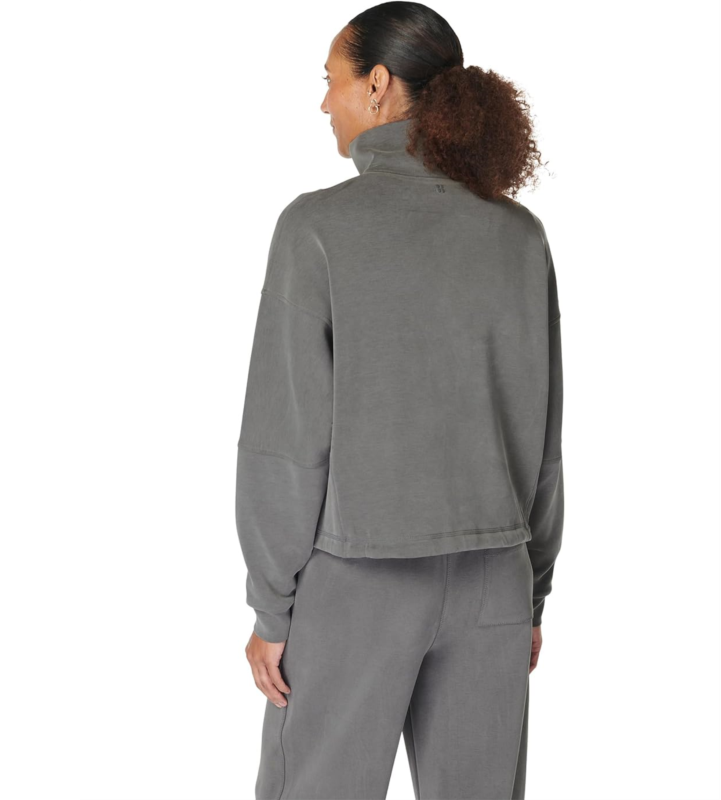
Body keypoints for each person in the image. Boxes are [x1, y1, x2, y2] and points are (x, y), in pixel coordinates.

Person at [234, 3, 565, 798]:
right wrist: (530, 592)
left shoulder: (316, 229)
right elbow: (542, 439)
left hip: (359, 584)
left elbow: (285, 445)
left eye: (332, 80)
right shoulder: (519, 235)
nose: (325, 102)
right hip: (495, 582)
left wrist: (272, 609)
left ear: (378, 85)